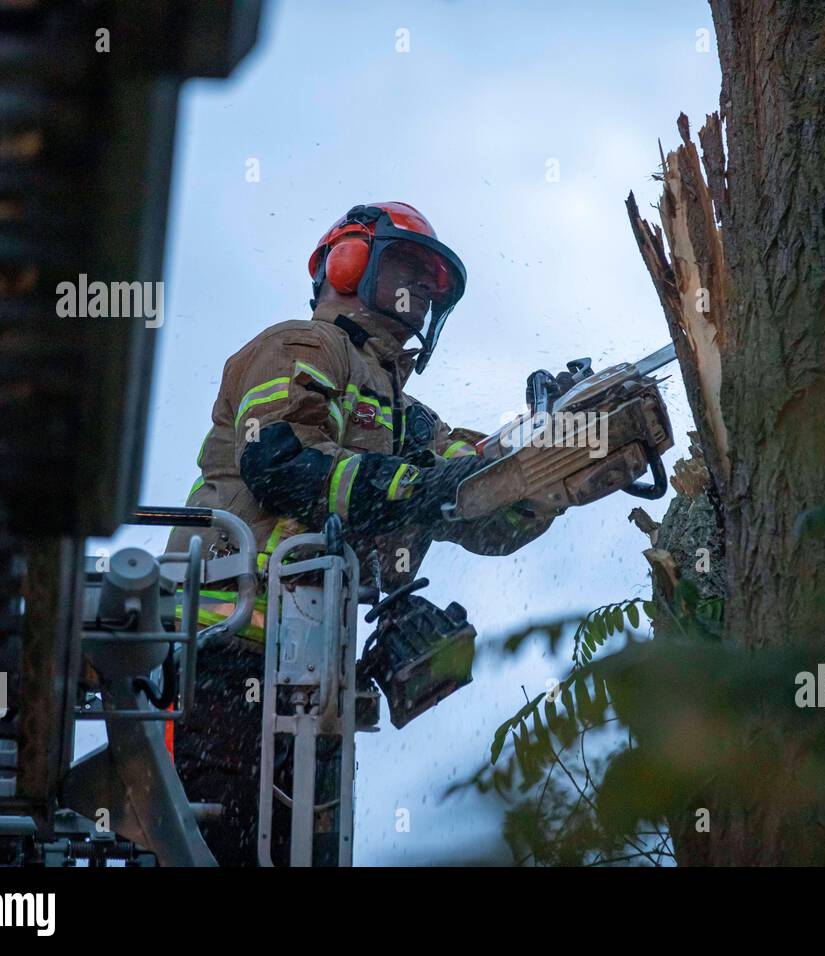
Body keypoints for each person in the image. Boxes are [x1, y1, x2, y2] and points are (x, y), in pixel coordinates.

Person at [167, 202, 560, 865]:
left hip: (315, 676)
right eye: (407, 271)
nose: (420, 295)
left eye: (431, 288)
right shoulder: (301, 344)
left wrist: (546, 464)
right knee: (218, 841)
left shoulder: (406, 413)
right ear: (347, 264)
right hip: (226, 648)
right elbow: (280, 463)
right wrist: (417, 487)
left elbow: (474, 497)